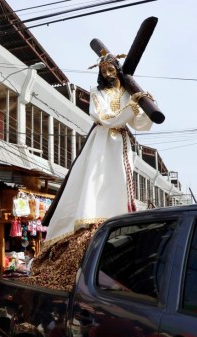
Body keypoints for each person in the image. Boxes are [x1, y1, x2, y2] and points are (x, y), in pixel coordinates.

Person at [45, 52, 154, 242]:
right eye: (104, 71)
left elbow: (139, 124)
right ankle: (89, 218)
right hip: (101, 140)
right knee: (95, 176)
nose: (108, 74)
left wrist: (145, 106)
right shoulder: (97, 92)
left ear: (118, 70)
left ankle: (118, 218)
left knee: (118, 177)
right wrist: (131, 107)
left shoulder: (128, 94)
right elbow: (103, 116)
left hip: (121, 142)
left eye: (111, 70)